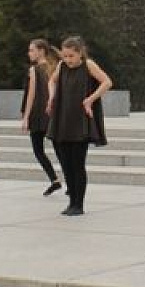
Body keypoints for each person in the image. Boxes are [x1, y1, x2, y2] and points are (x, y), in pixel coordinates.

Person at [45, 36, 113, 216]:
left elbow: (107, 82)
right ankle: (71, 201)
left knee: (77, 164)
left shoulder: (89, 65)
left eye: (71, 56)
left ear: (80, 53)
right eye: (65, 56)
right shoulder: (61, 67)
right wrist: (52, 96)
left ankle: (78, 204)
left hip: (80, 121)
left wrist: (90, 99)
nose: (67, 60)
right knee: (66, 164)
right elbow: (51, 81)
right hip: (62, 119)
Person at [20, 38, 62, 196]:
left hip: (38, 115)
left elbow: (31, 95)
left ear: (41, 51)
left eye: (32, 50)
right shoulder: (54, 67)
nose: (29, 53)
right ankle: (69, 184)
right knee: (59, 149)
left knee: (38, 150)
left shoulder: (35, 70)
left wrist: (25, 117)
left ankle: (54, 180)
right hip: (51, 113)